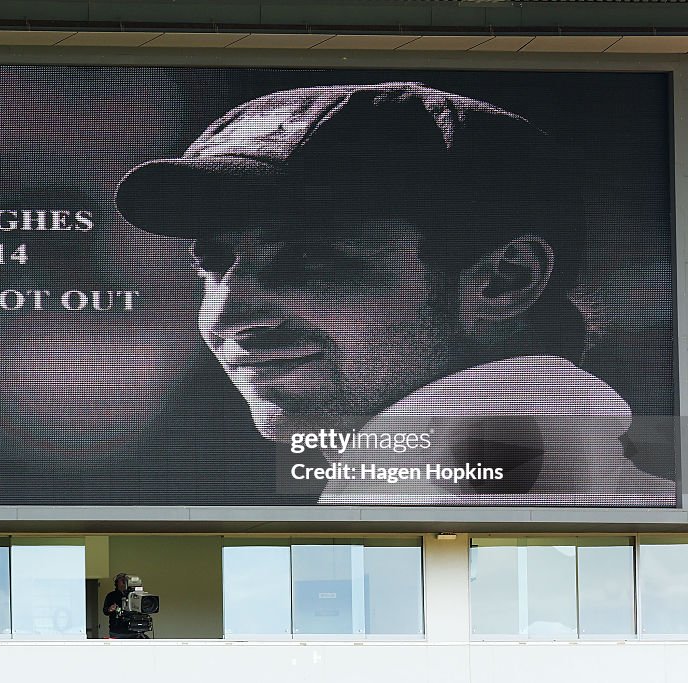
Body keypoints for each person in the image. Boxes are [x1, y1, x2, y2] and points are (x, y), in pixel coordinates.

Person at [114, 82, 673, 505]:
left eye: (313, 260)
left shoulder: (443, 501)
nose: (229, 315)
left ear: (506, 282)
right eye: (213, 264)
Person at [102, 572, 138, 639]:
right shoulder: (111, 595)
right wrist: (110, 609)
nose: (124, 582)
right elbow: (105, 611)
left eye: (125, 581)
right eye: (122, 580)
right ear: (117, 583)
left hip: (133, 630)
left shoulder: (135, 595)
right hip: (117, 631)